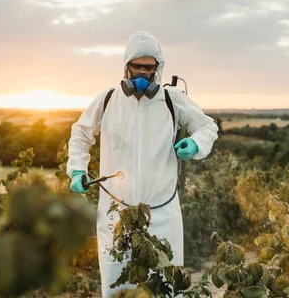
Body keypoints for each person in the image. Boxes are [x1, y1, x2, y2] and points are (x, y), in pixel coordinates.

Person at [66, 31, 219, 297]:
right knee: (118, 287)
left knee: (167, 286)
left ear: (157, 70)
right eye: (137, 66)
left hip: (163, 214)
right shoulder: (108, 99)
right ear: (126, 66)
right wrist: (77, 169)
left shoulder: (172, 100)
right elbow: (81, 133)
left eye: (149, 68)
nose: (142, 73)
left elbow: (208, 126)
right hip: (116, 215)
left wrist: (195, 144)